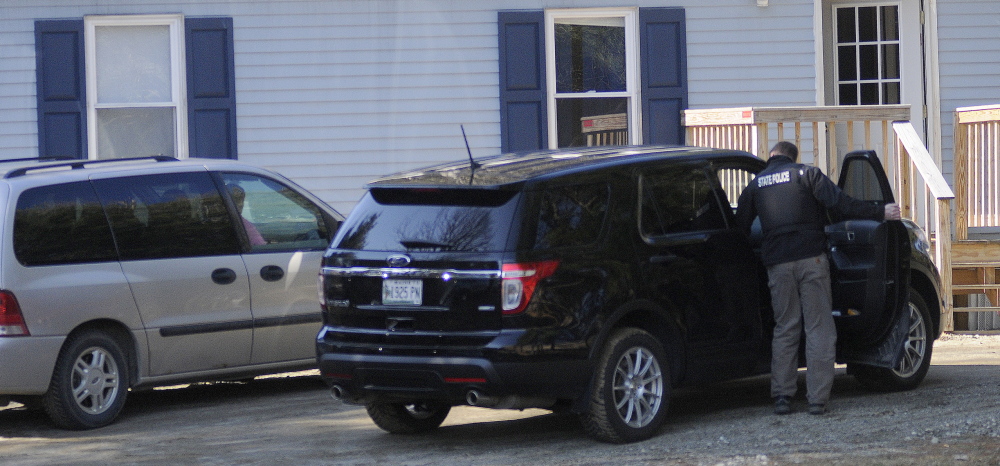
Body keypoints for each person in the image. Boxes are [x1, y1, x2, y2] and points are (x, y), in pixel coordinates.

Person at [735, 141, 901, 416]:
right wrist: (879, 212)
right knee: (819, 327)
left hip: (777, 264)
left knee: (785, 327)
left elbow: (741, 225)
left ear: (773, 156)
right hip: (811, 259)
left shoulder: (757, 185)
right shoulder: (807, 174)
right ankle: (817, 399)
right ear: (792, 157)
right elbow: (840, 204)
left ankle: (782, 397)